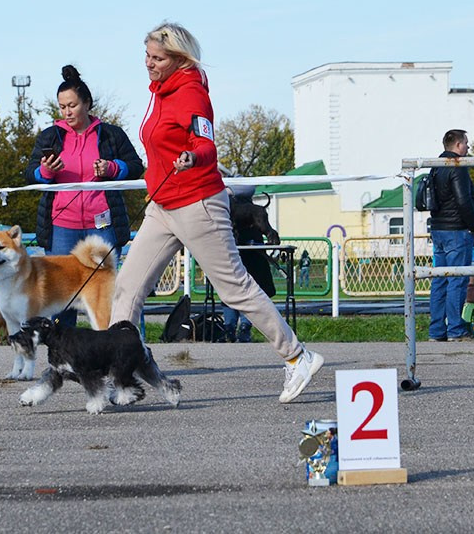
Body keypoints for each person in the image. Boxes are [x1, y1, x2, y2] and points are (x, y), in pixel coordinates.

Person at [109, 22, 323, 404]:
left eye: (157, 58)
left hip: (198, 203)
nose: (149, 63)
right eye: (147, 56)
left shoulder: (191, 92)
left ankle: (297, 356)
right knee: (127, 287)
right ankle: (119, 373)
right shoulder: (159, 93)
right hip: (162, 205)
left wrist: (193, 157)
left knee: (234, 288)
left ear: (179, 59)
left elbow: (206, 144)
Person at [25, 64, 144, 326]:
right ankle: (62, 351)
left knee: (106, 294)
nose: (67, 112)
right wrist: (45, 171)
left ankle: (116, 343)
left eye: (72, 105)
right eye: (62, 107)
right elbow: (30, 174)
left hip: (102, 225)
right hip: (60, 227)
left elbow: (136, 166)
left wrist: (112, 168)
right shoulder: (49, 136)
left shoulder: (111, 134)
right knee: (60, 296)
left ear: (87, 103)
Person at [427, 129, 474, 342]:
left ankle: (436, 331)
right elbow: (463, 201)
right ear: (458, 145)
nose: (468, 147)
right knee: (457, 281)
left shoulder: (435, 166)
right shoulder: (457, 167)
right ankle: (456, 330)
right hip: (457, 231)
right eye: (466, 143)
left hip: (438, 229)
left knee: (439, 281)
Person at [221, 186, 281, 343]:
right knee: (228, 287)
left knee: (251, 286)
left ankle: (244, 327)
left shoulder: (239, 181)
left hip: (252, 245)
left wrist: (227, 189)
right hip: (231, 247)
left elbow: (248, 188)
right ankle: (229, 328)